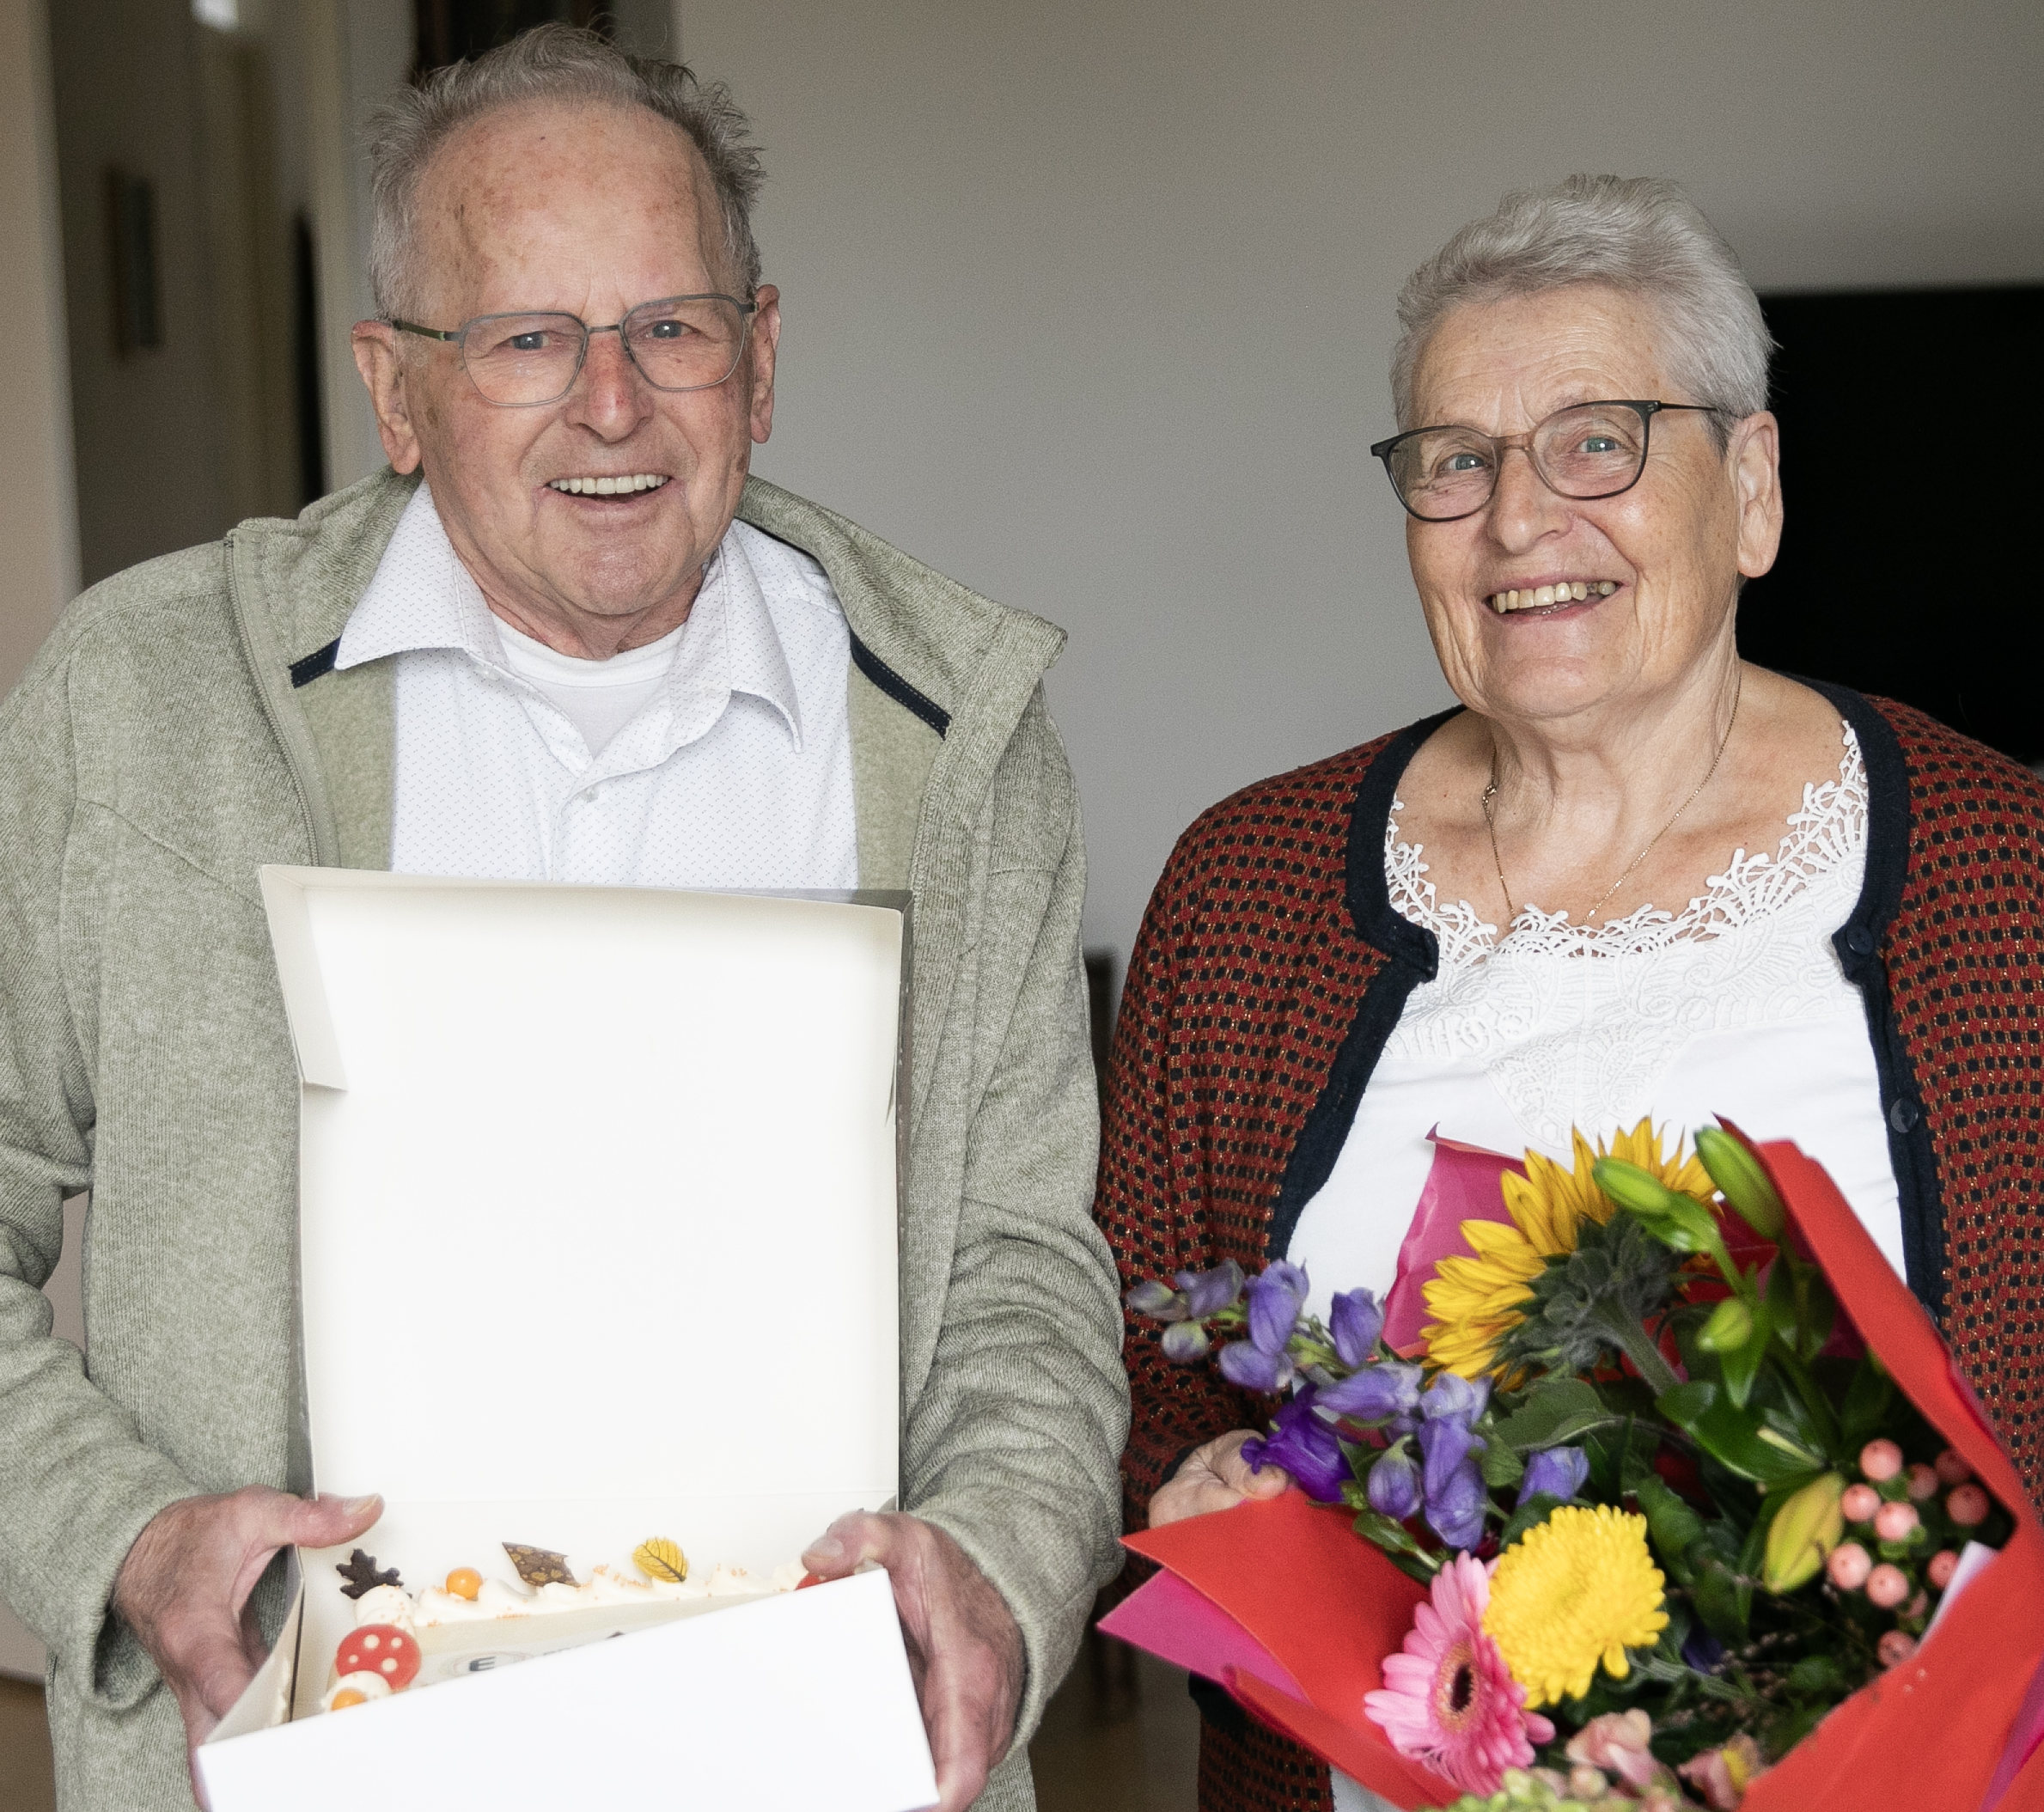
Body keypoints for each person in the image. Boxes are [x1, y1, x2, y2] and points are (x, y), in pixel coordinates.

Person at [0, 27, 1126, 1811]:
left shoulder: (956, 738)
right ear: (394, 385)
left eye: (670, 326)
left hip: (809, 1750)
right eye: (524, 336)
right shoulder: (141, 704)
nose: (612, 402)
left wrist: (992, 1550)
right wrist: (119, 1532)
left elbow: (1022, 1267)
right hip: (293, 1754)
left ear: (759, 360)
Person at [1097, 174, 2044, 1812]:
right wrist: (1207, 1481)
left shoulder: (2002, 881)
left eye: (1597, 440)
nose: (1520, 520)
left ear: (1748, 489)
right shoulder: (1245, 894)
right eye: (1455, 462)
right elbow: (1132, 1357)